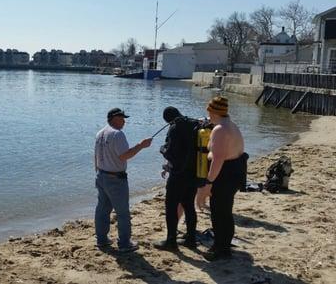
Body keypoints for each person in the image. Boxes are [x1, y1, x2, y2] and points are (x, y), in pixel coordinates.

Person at [94, 108, 153, 252]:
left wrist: (97, 171)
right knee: (122, 212)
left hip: (101, 176)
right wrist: (141, 145)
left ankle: (101, 240)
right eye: (122, 118)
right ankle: (125, 243)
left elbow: (95, 156)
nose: (124, 122)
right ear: (114, 118)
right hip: (115, 178)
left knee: (102, 209)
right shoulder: (117, 134)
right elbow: (124, 156)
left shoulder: (100, 133)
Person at [198, 96, 248, 261]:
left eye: (209, 110)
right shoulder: (231, 125)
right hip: (235, 171)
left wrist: (208, 183)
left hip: (224, 174)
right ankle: (223, 246)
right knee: (225, 212)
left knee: (219, 213)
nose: (208, 114)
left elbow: (218, 159)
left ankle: (220, 249)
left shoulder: (219, 129)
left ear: (213, 111)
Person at [154, 106, 199, 251]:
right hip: (194, 173)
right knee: (189, 205)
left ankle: (171, 241)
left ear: (168, 120)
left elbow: (170, 153)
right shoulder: (194, 124)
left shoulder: (174, 128)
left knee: (171, 207)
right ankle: (191, 239)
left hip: (178, 174)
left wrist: (162, 149)